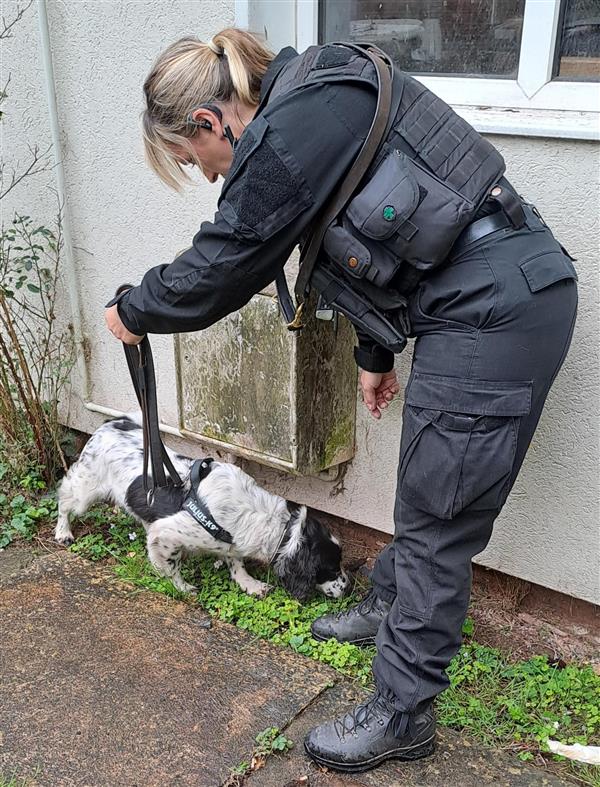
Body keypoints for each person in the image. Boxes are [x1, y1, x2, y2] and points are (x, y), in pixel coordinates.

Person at [105, 28, 578, 773]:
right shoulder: (314, 94)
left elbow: (226, 264)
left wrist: (136, 308)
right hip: (486, 292)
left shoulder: (291, 128)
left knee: (439, 519)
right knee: (430, 487)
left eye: (195, 162)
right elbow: (382, 226)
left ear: (210, 122)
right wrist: (374, 355)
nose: (206, 175)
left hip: (494, 307)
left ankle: (403, 711)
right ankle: (390, 605)